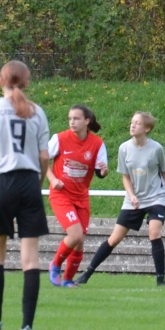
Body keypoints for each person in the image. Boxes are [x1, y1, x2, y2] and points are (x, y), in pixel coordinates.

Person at [0, 61, 50, 330]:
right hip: (29, 182)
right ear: (27, 82)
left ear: (1, 81)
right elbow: (44, 157)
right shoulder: (38, 112)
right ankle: (27, 327)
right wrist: (38, 184)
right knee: (30, 260)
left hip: (1, 183)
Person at [76, 111, 165, 287]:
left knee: (154, 233)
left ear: (147, 128)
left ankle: (161, 279)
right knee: (114, 239)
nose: (132, 125)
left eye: (137, 123)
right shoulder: (124, 148)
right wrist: (132, 195)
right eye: (131, 122)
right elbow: (125, 177)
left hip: (155, 198)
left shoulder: (156, 149)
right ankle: (86, 274)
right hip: (133, 200)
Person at [46, 105, 108, 287]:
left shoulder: (97, 144)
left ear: (87, 121)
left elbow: (100, 171)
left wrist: (104, 171)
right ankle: (55, 265)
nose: (72, 122)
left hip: (81, 197)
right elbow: (40, 158)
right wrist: (52, 178)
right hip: (61, 195)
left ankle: (67, 280)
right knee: (75, 235)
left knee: (80, 243)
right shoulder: (60, 139)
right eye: (70, 118)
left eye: (76, 118)